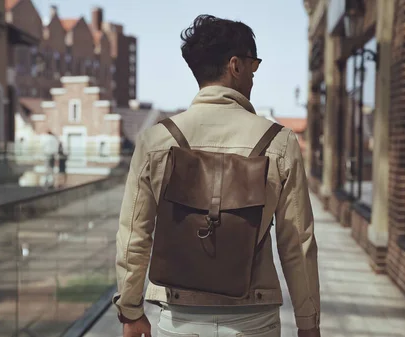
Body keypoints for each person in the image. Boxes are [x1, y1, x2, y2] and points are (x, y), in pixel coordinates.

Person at [113, 14, 320, 337]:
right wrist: (308, 324)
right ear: (235, 65)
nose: (254, 76)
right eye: (254, 65)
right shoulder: (279, 141)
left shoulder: (156, 141)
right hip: (254, 317)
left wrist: (130, 311)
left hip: (179, 315)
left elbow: (134, 235)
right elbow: (297, 243)